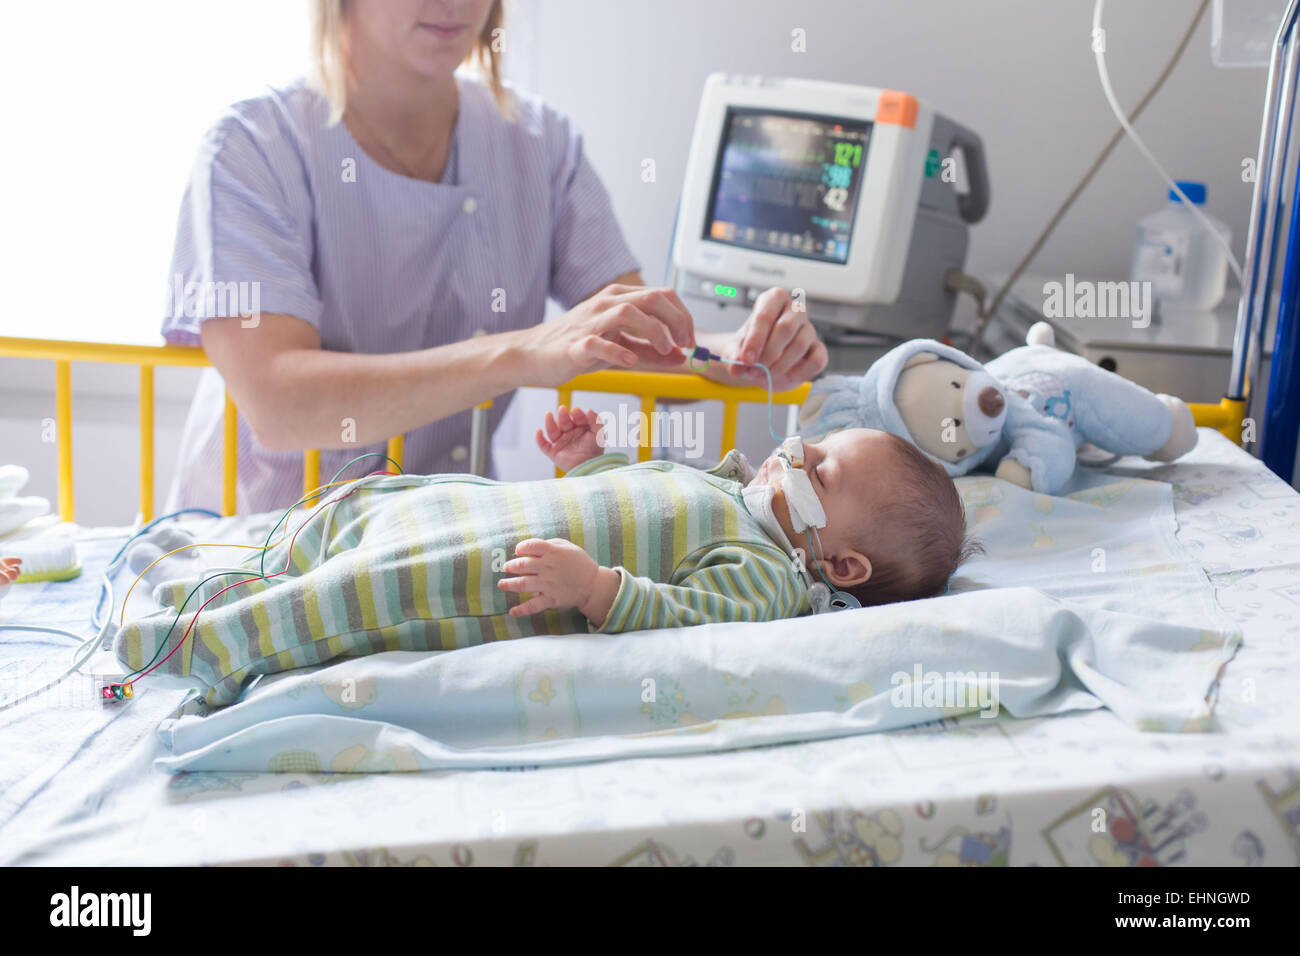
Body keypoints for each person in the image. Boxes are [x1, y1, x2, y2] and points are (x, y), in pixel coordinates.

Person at [161, 0, 827, 516]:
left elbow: (634, 332)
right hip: (262, 550)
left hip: (444, 544)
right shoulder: (250, 148)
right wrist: (522, 353)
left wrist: (735, 348)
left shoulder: (539, 144)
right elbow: (278, 405)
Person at [116, 404, 976, 708]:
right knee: (354, 517)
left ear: (844, 566)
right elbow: (628, 492)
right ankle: (207, 572)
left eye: (820, 467)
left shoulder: (766, 576)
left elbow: (686, 618)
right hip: (476, 507)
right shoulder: (727, 488)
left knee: (363, 594)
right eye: (815, 440)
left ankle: (199, 643)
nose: (796, 450)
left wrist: (601, 590)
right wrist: (585, 461)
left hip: (496, 572)